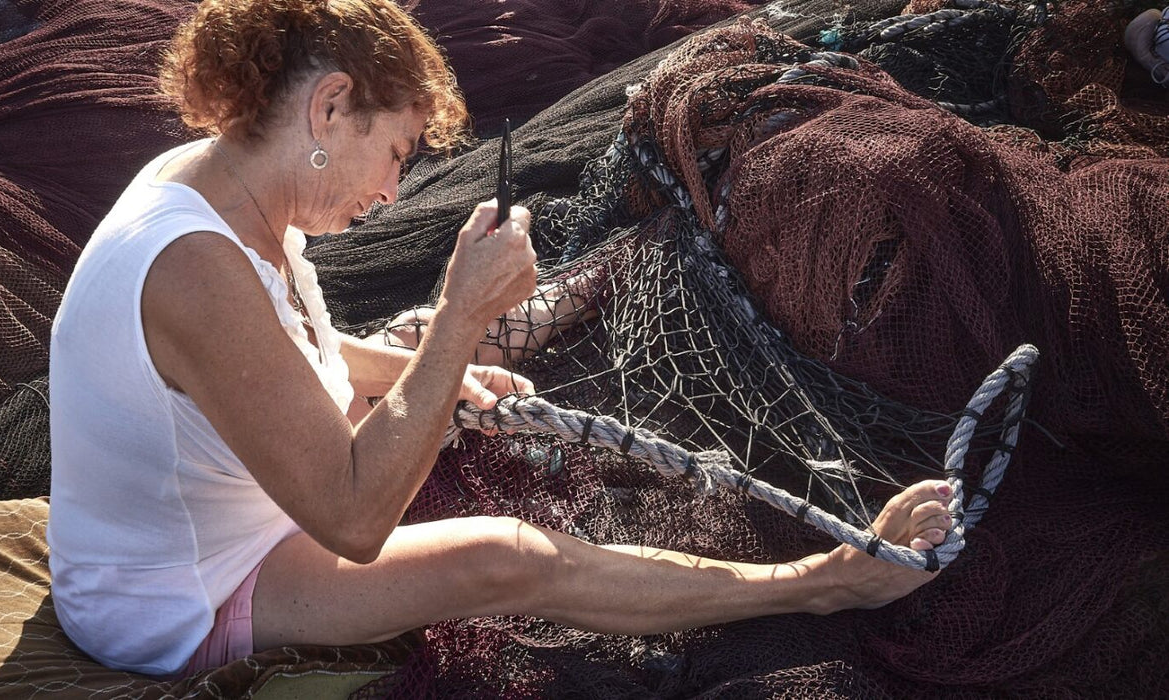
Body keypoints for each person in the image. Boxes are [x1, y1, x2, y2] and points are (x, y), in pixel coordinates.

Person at [46, 0, 955, 679]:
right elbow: (354, 522)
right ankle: (825, 579)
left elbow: (294, 352)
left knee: (437, 421)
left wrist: (432, 374)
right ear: (329, 108)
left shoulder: (220, 183)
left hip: (220, 522)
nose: (391, 194)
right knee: (504, 557)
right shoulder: (196, 267)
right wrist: (457, 322)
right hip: (175, 595)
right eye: (396, 152)